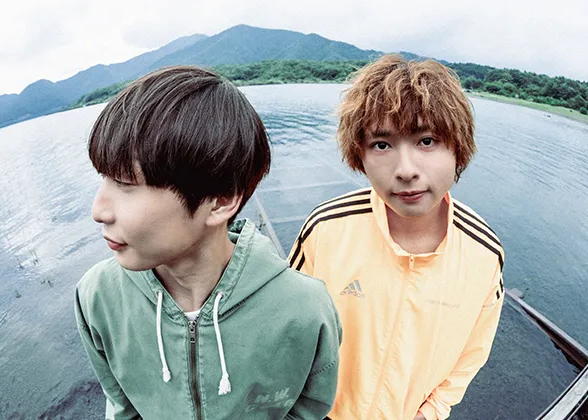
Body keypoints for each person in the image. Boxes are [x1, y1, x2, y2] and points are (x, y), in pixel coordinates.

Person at [74, 66, 342, 419]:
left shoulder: (304, 309)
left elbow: (307, 410)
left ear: (220, 200)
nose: (98, 210)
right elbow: (122, 406)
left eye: (125, 184)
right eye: (103, 178)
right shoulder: (97, 296)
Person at [288, 55, 504, 420]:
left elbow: (473, 351)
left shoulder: (484, 253)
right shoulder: (326, 228)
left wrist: (431, 411)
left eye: (427, 140)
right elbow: (286, 327)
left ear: (458, 148)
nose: (405, 171)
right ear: (359, 155)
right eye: (381, 145)